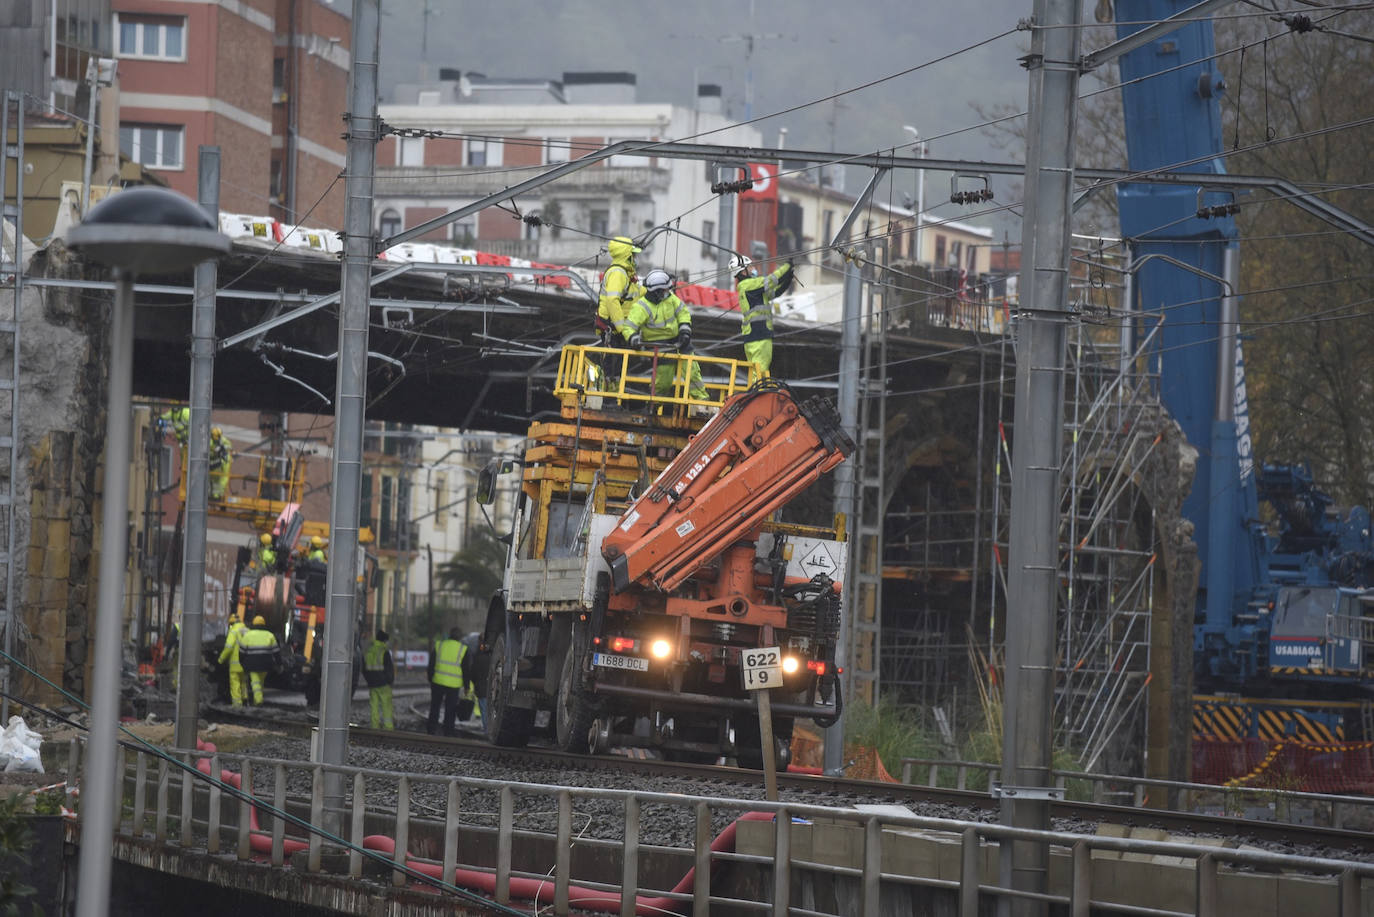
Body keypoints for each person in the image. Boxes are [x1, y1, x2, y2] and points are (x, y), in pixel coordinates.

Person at [623, 269, 708, 402]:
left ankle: (703, 402)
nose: (668, 291)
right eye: (665, 290)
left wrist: (684, 330)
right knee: (663, 381)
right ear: (657, 292)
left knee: (692, 372)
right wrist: (634, 338)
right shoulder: (641, 307)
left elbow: (683, 313)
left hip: (679, 342)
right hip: (659, 346)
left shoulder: (670, 299)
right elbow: (628, 327)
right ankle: (654, 404)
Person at [734, 256, 795, 378]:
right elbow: (772, 280)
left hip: (752, 336)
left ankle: (757, 389)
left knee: (755, 373)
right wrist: (787, 266)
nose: (753, 268)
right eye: (750, 267)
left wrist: (788, 278)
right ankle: (759, 390)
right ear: (743, 272)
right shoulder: (750, 285)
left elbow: (774, 292)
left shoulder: (750, 289)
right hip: (760, 334)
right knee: (760, 372)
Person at [597, 235, 644, 344]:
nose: (635, 258)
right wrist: (623, 330)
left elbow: (636, 292)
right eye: (634, 255)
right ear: (628, 256)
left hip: (617, 330)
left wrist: (651, 289)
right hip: (615, 331)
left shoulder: (624, 273)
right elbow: (612, 300)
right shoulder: (618, 273)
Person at [427, 626, 468, 737]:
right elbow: (466, 669)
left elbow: (431, 663)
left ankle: (431, 730)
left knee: (434, 707)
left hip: (437, 681)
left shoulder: (439, 645)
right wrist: (466, 686)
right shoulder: (463, 649)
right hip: (453, 685)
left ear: (449, 635)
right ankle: (448, 732)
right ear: (460, 637)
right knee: (451, 709)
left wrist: (430, 678)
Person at [236, 615, 280, 706]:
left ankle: (258, 701)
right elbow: (276, 652)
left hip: (252, 664)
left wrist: (242, 662)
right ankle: (258, 700)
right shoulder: (270, 635)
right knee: (260, 682)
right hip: (266, 664)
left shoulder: (247, 635)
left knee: (255, 682)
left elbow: (241, 652)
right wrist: (279, 664)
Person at [363, 629, 396, 730]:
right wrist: (390, 681)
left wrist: (369, 680)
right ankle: (388, 728)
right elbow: (389, 668)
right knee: (386, 706)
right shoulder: (384, 651)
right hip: (383, 684)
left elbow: (364, 668)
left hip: (372, 684)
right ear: (384, 640)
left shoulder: (369, 651)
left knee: (374, 706)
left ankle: (374, 727)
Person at [217, 612, 249, 706]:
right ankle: (245, 700)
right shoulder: (247, 630)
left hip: (235, 664)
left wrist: (220, 659)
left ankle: (237, 704)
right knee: (243, 682)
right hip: (246, 663)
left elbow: (229, 647)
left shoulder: (233, 631)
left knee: (235, 683)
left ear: (231, 624)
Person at [209, 426, 233, 501]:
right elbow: (209, 452)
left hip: (224, 460)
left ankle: (218, 494)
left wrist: (222, 447)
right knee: (215, 477)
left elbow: (230, 446)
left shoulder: (223, 440)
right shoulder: (210, 442)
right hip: (215, 460)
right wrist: (214, 451)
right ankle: (214, 493)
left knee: (223, 477)